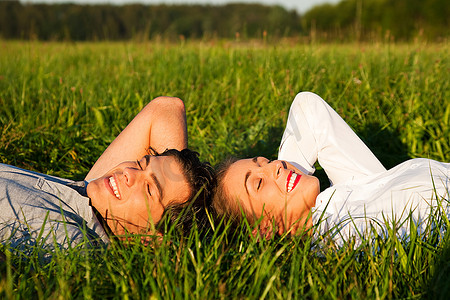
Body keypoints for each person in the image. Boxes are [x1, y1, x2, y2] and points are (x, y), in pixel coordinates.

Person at [212, 92, 449, 247]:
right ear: (263, 229)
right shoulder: (346, 238)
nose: (275, 165)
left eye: (263, 161)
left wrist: (287, 184)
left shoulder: (341, 198)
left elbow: (308, 107)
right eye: (258, 184)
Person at [0, 96, 215, 252]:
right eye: (141, 163)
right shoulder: (87, 194)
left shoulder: (69, 243)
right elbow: (166, 108)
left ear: (152, 239)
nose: (129, 172)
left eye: (149, 189)